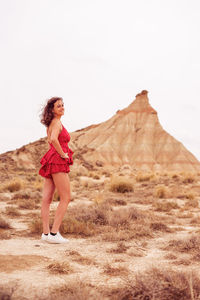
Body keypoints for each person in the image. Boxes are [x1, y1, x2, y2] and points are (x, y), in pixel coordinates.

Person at [39, 97, 74, 244]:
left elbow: (51, 139)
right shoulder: (57, 122)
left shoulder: (52, 123)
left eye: (63, 105)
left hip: (51, 159)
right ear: (52, 110)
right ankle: (54, 234)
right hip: (57, 161)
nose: (62, 107)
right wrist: (63, 154)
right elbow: (53, 139)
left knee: (47, 199)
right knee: (66, 197)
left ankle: (46, 233)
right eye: (58, 106)